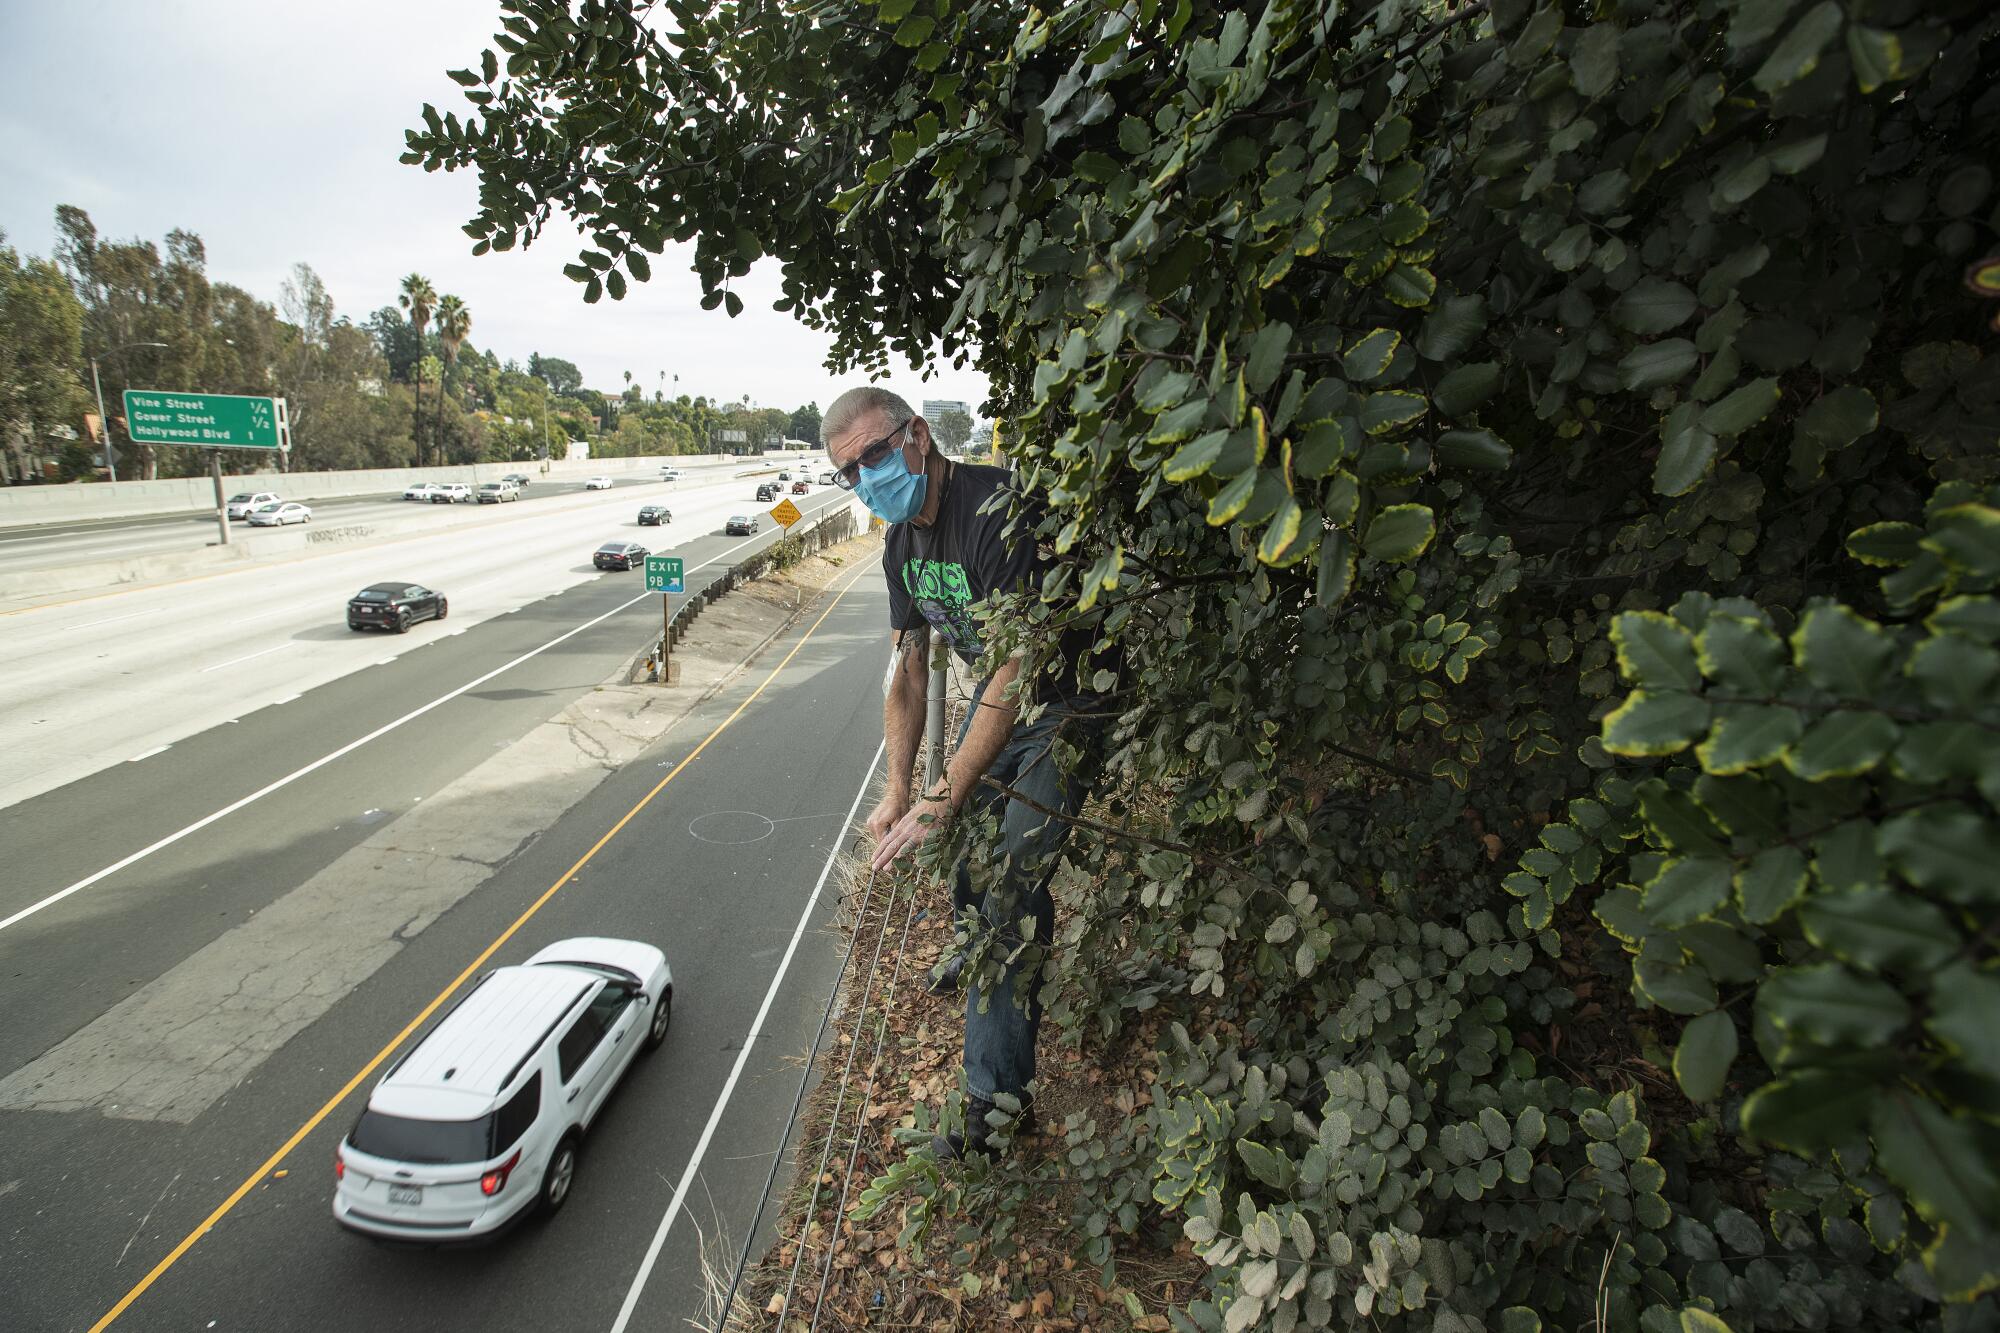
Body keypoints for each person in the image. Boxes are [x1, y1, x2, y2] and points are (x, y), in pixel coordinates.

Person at [823, 386, 1107, 1159]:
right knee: (963, 850)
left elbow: (1021, 660)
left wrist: (945, 789)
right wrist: (899, 789)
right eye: (850, 473)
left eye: (876, 456)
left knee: (1013, 876)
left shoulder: (994, 508)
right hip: (1006, 701)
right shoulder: (899, 549)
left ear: (917, 435)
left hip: (1072, 700)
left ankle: (997, 1112)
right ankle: (972, 943)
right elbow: (909, 673)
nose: (867, 479)